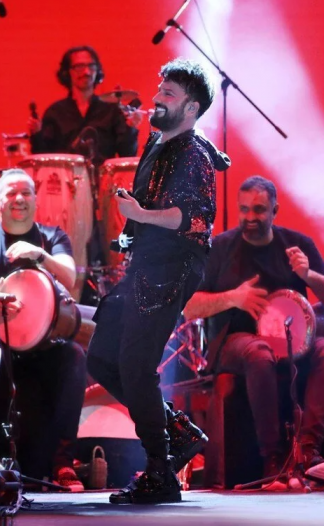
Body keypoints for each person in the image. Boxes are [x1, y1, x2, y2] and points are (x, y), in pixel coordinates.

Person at [86, 58, 231, 504]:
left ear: (191, 107)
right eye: (160, 90)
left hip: (171, 267)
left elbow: (193, 220)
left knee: (135, 365)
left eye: (168, 94)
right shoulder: (157, 141)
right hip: (145, 263)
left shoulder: (193, 154)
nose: (156, 99)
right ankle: (177, 431)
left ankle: (160, 471)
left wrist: (140, 214)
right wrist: (133, 225)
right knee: (102, 358)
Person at [183, 175, 324, 485]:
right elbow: (188, 306)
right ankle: (273, 459)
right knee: (260, 352)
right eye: (244, 209)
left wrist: (308, 275)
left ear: (274, 211)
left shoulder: (296, 245)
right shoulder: (220, 248)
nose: (250, 217)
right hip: (234, 341)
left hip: (293, 341)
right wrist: (234, 298)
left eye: (258, 210)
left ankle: (309, 452)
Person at [0, 168, 88, 491]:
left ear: (36, 199)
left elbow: (69, 278)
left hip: (45, 344)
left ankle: (63, 463)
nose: (19, 199)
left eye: (26, 192)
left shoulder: (52, 238)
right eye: (11, 193)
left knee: (74, 357)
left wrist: (40, 256)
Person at [28, 45, 141, 165]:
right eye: (79, 67)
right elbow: (42, 158)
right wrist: (36, 134)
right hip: (66, 175)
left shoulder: (111, 110)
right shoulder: (55, 112)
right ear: (67, 72)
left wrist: (131, 128)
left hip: (102, 175)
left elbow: (127, 154)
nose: (86, 72)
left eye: (91, 66)